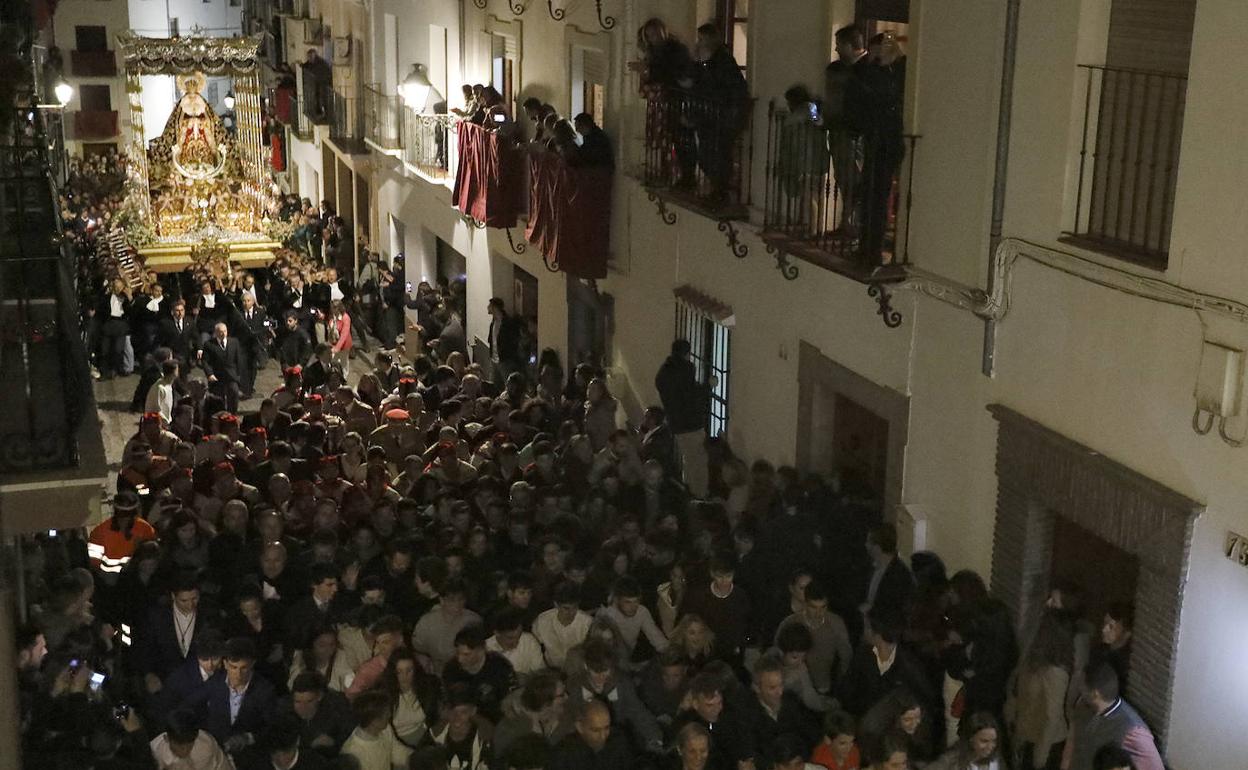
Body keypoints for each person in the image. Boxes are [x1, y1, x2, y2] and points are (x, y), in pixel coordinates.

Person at [1065, 664, 1163, 770]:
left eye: (1081, 686)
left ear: (1094, 694)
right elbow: (1071, 747)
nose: (1079, 689)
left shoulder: (1132, 730)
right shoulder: (1081, 706)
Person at [654, 339, 713, 496]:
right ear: (687, 353)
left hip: (677, 424)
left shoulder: (663, 372)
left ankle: (689, 490)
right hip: (691, 423)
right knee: (699, 460)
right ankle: (699, 493)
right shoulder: (686, 369)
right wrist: (708, 385)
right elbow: (691, 395)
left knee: (688, 458)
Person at [547, 700, 634, 770]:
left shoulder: (619, 742)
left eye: (607, 728)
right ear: (580, 727)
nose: (603, 736)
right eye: (596, 730)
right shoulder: (564, 753)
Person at [341, 689, 413, 770]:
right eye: (386, 713)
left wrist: (413, 759)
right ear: (374, 721)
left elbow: (395, 749)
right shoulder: (354, 752)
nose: (389, 715)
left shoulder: (385, 729)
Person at [927, 712, 1002, 770]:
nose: (990, 746)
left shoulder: (996, 760)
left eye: (994, 741)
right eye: (984, 741)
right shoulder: (950, 760)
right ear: (971, 739)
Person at [201, 322, 245, 413]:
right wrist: (210, 374)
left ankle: (232, 414)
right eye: (221, 332)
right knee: (218, 399)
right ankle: (220, 415)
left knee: (234, 393)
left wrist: (239, 375)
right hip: (217, 376)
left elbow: (239, 359)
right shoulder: (209, 345)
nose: (223, 333)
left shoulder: (234, 342)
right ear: (216, 333)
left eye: (225, 331)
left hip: (231, 376)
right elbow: (205, 361)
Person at [488, 298, 524, 386]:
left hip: (505, 361)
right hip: (494, 359)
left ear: (495, 307)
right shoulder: (493, 322)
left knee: (508, 384)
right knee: (493, 384)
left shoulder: (508, 323)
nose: (488, 308)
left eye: (490, 306)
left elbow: (512, 341)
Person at [145, 358, 181, 425]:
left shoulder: (169, 385)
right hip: (156, 425)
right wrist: (166, 423)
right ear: (173, 373)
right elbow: (155, 410)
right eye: (177, 369)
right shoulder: (159, 388)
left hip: (166, 422)